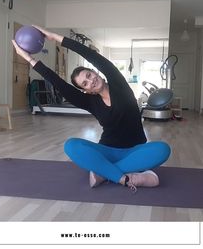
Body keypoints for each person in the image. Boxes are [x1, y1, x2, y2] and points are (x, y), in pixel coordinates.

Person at [12, 26, 171, 192]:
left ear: (95, 71)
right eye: (85, 84)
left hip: (135, 150)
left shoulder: (119, 85)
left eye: (89, 75)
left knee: (162, 149)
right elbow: (57, 83)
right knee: (71, 146)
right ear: (86, 90)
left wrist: (55, 37)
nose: (90, 81)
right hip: (107, 151)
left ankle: (103, 173)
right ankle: (125, 177)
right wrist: (28, 58)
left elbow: (91, 56)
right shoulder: (89, 102)